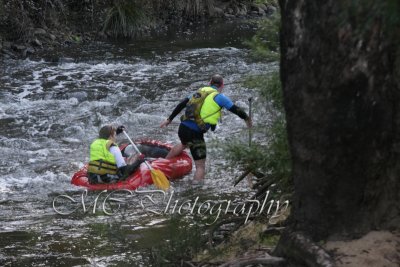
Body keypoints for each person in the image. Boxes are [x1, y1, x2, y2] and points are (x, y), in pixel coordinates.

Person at [160, 74, 252, 184]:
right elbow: (236, 110)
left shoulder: (199, 92)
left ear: (210, 83)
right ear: (222, 86)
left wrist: (169, 119)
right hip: (194, 133)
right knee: (200, 166)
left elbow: (181, 104)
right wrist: (248, 120)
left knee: (183, 144)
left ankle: (162, 163)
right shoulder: (220, 97)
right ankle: (195, 189)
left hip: (183, 127)